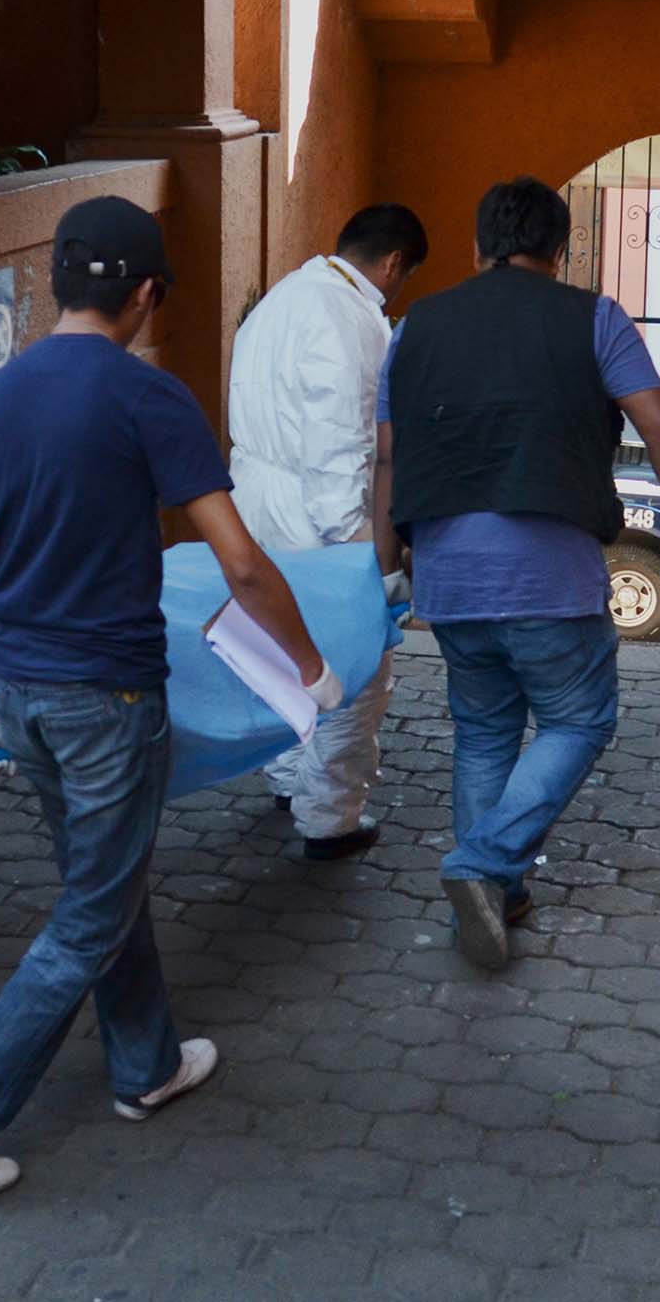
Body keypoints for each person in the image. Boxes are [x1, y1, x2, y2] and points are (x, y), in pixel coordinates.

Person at [0, 196, 342, 1195]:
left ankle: (145, 1064)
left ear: (58, 282)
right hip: (105, 698)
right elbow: (240, 562)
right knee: (91, 910)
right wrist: (312, 667)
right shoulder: (148, 397)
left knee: (103, 876)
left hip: (20, 684)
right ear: (145, 294)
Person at [373, 176, 660, 970]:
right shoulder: (593, 317)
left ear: (477, 247)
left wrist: (387, 565)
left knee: (485, 732)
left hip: (448, 574)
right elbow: (659, 423)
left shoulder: (415, 326)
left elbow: (387, 455)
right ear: (560, 251)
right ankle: (484, 864)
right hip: (548, 573)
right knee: (578, 721)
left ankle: (496, 895)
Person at [228, 203, 429, 861]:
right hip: (315, 513)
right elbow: (341, 442)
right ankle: (330, 816)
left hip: (256, 501)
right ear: (394, 262)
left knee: (282, 651)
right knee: (355, 665)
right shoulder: (346, 318)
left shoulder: (282, 298)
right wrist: (359, 551)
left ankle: (288, 776)